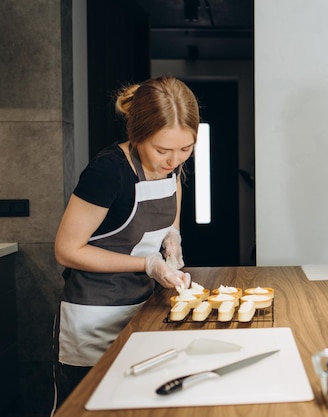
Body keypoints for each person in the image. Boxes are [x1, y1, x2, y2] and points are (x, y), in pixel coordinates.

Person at [52, 76, 199, 410]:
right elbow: (66, 250)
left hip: (143, 308)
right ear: (137, 134)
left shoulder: (171, 169)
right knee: (85, 407)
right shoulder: (108, 171)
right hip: (94, 317)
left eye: (186, 149)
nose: (173, 161)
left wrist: (172, 236)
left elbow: (171, 202)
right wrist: (147, 264)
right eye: (162, 150)